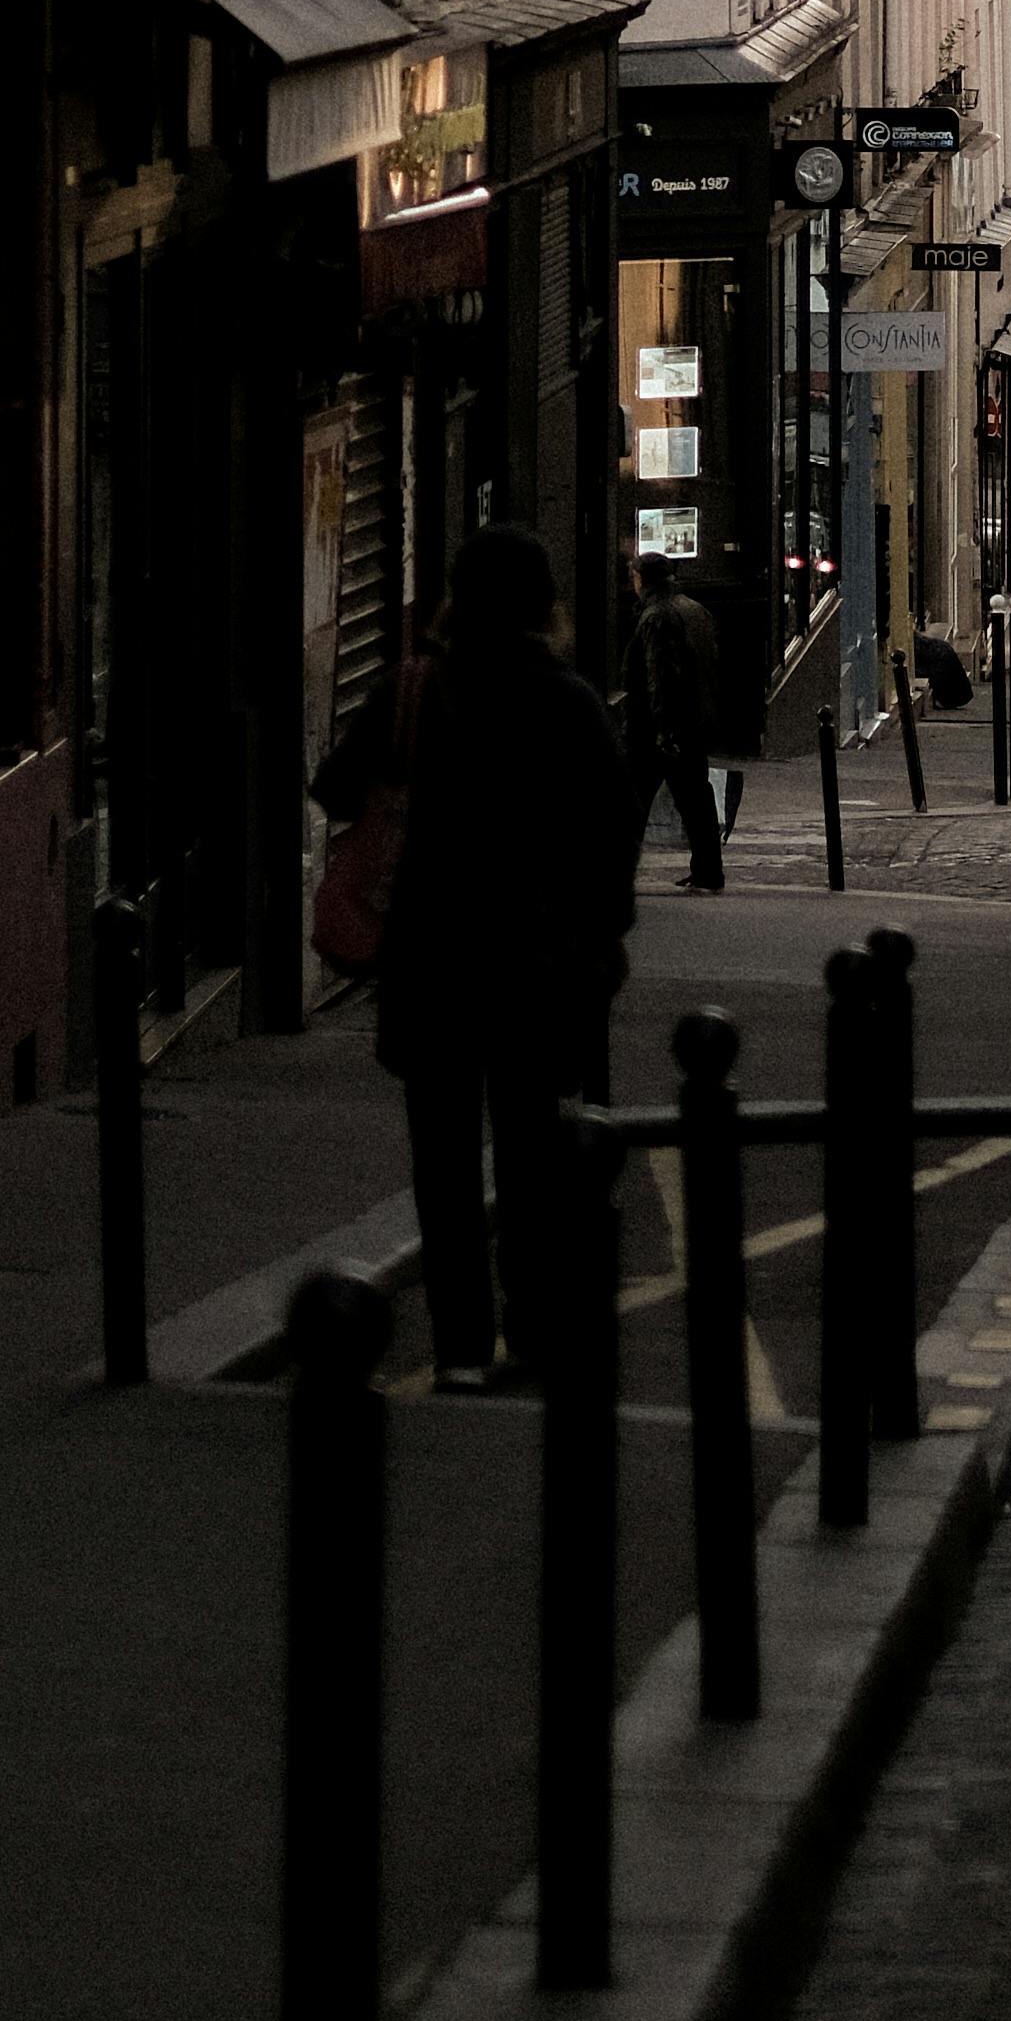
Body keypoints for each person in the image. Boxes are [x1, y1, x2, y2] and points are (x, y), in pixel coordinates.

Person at [374, 524, 642, 1382]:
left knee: (443, 1171)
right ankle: (529, 1333)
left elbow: (338, 782)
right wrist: (599, 934)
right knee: (531, 1159)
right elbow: (612, 834)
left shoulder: (421, 688)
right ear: (544, 604)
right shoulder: (569, 702)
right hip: (535, 964)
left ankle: (460, 1345)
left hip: (433, 958)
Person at [618, 547, 729, 890]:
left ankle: (618, 874)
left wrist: (663, 730)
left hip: (657, 728)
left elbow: (659, 676)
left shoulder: (656, 616)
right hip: (693, 720)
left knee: (631, 802)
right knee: (696, 800)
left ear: (642, 580)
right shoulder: (694, 610)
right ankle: (709, 870)